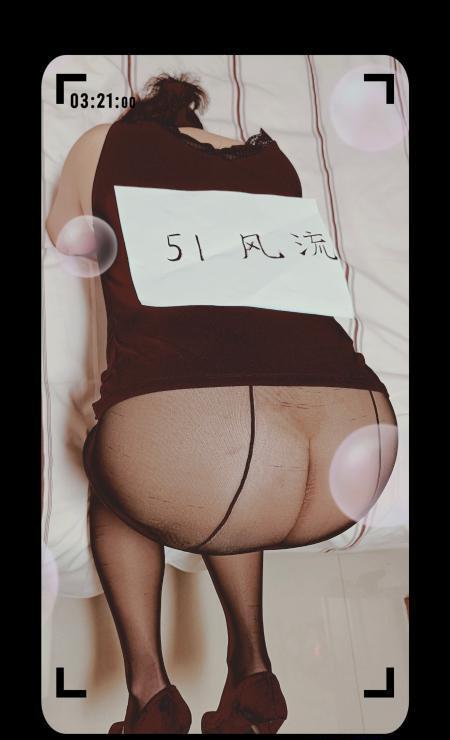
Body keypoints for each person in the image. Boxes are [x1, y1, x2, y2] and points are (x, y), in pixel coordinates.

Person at [46, 71, 399, 734]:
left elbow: (66, 235)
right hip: (355, 441)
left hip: (214, 444)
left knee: (125, 469)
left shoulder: (102, 141)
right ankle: (254, 672)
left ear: (142, 116)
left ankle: (149, 691)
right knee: (237, 451)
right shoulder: (272, 161)